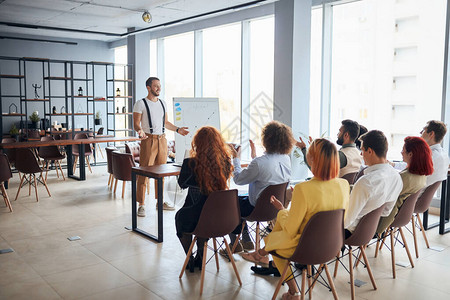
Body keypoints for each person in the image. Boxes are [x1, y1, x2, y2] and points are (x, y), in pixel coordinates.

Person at [241, 139, 349, 300]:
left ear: (312, 160)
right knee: (276, 237)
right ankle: (261, 253)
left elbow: (291, 229)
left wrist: (281, 210)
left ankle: (293, 291)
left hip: (304, 247)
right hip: (332, 246)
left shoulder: (303, 189)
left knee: (274, 243)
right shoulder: (343, 184)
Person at [227, 121, 294, 253]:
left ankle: (234, 243)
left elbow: (239, 180)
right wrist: (254, 157)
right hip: (275, 209)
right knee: (241, 200)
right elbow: (267, 173)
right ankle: (246, 240)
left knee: (231, 203)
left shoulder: (260, 163)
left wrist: (236, 158)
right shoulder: (286, 159)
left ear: (266, 140)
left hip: (256, 209)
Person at [175, 126, 233, 272]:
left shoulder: (191, 162)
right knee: (203, 215)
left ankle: (190, 258)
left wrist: (185, 162)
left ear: (198, 143)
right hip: (220, 217)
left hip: (195, 215)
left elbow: (182, 184)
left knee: (181, 217)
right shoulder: (225, 162)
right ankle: (201, 254)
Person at [133, 77, 188, 217]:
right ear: (148, 87)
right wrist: (139, 130)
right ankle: (141, 205)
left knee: (161, 174)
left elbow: (166, 123)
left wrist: (177, 129)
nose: (158, 88)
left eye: (160, 86)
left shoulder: (163, 103)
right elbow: (136, 124)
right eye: (156, 86)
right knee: (143, 173)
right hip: (148, 140)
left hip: (162, 141)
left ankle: (160, 202)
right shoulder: (140, 103)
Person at [344, 130, 403, 236]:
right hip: (371, 229)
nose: (361, 155)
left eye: (362, 150)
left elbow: (346, 221)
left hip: (352, 231)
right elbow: (386, 212)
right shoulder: (396, 177)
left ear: (370, 151)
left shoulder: (366, 182)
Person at [376, 136, 433, 234]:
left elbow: (383, 196)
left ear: (410, 154)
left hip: (383, 218)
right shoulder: (421, 175)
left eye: (403, 150)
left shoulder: (405, 178)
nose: (401, 152)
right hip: (401, 215)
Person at [391, 120, 448, 187]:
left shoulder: (429, 156)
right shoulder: (444, 155)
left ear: (431, 134)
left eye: (423, 130)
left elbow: (411, 169)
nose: (420, 132)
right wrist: (393, 164)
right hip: (420, 193)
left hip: (412, 192)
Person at [297, 119, 363, 178]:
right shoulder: (359, 153)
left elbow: (317, 172)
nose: (337, 135)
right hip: (345, 190)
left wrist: (304, 149)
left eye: (339, 132)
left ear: (346, 135)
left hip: (334, 190)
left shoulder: (340, 156)